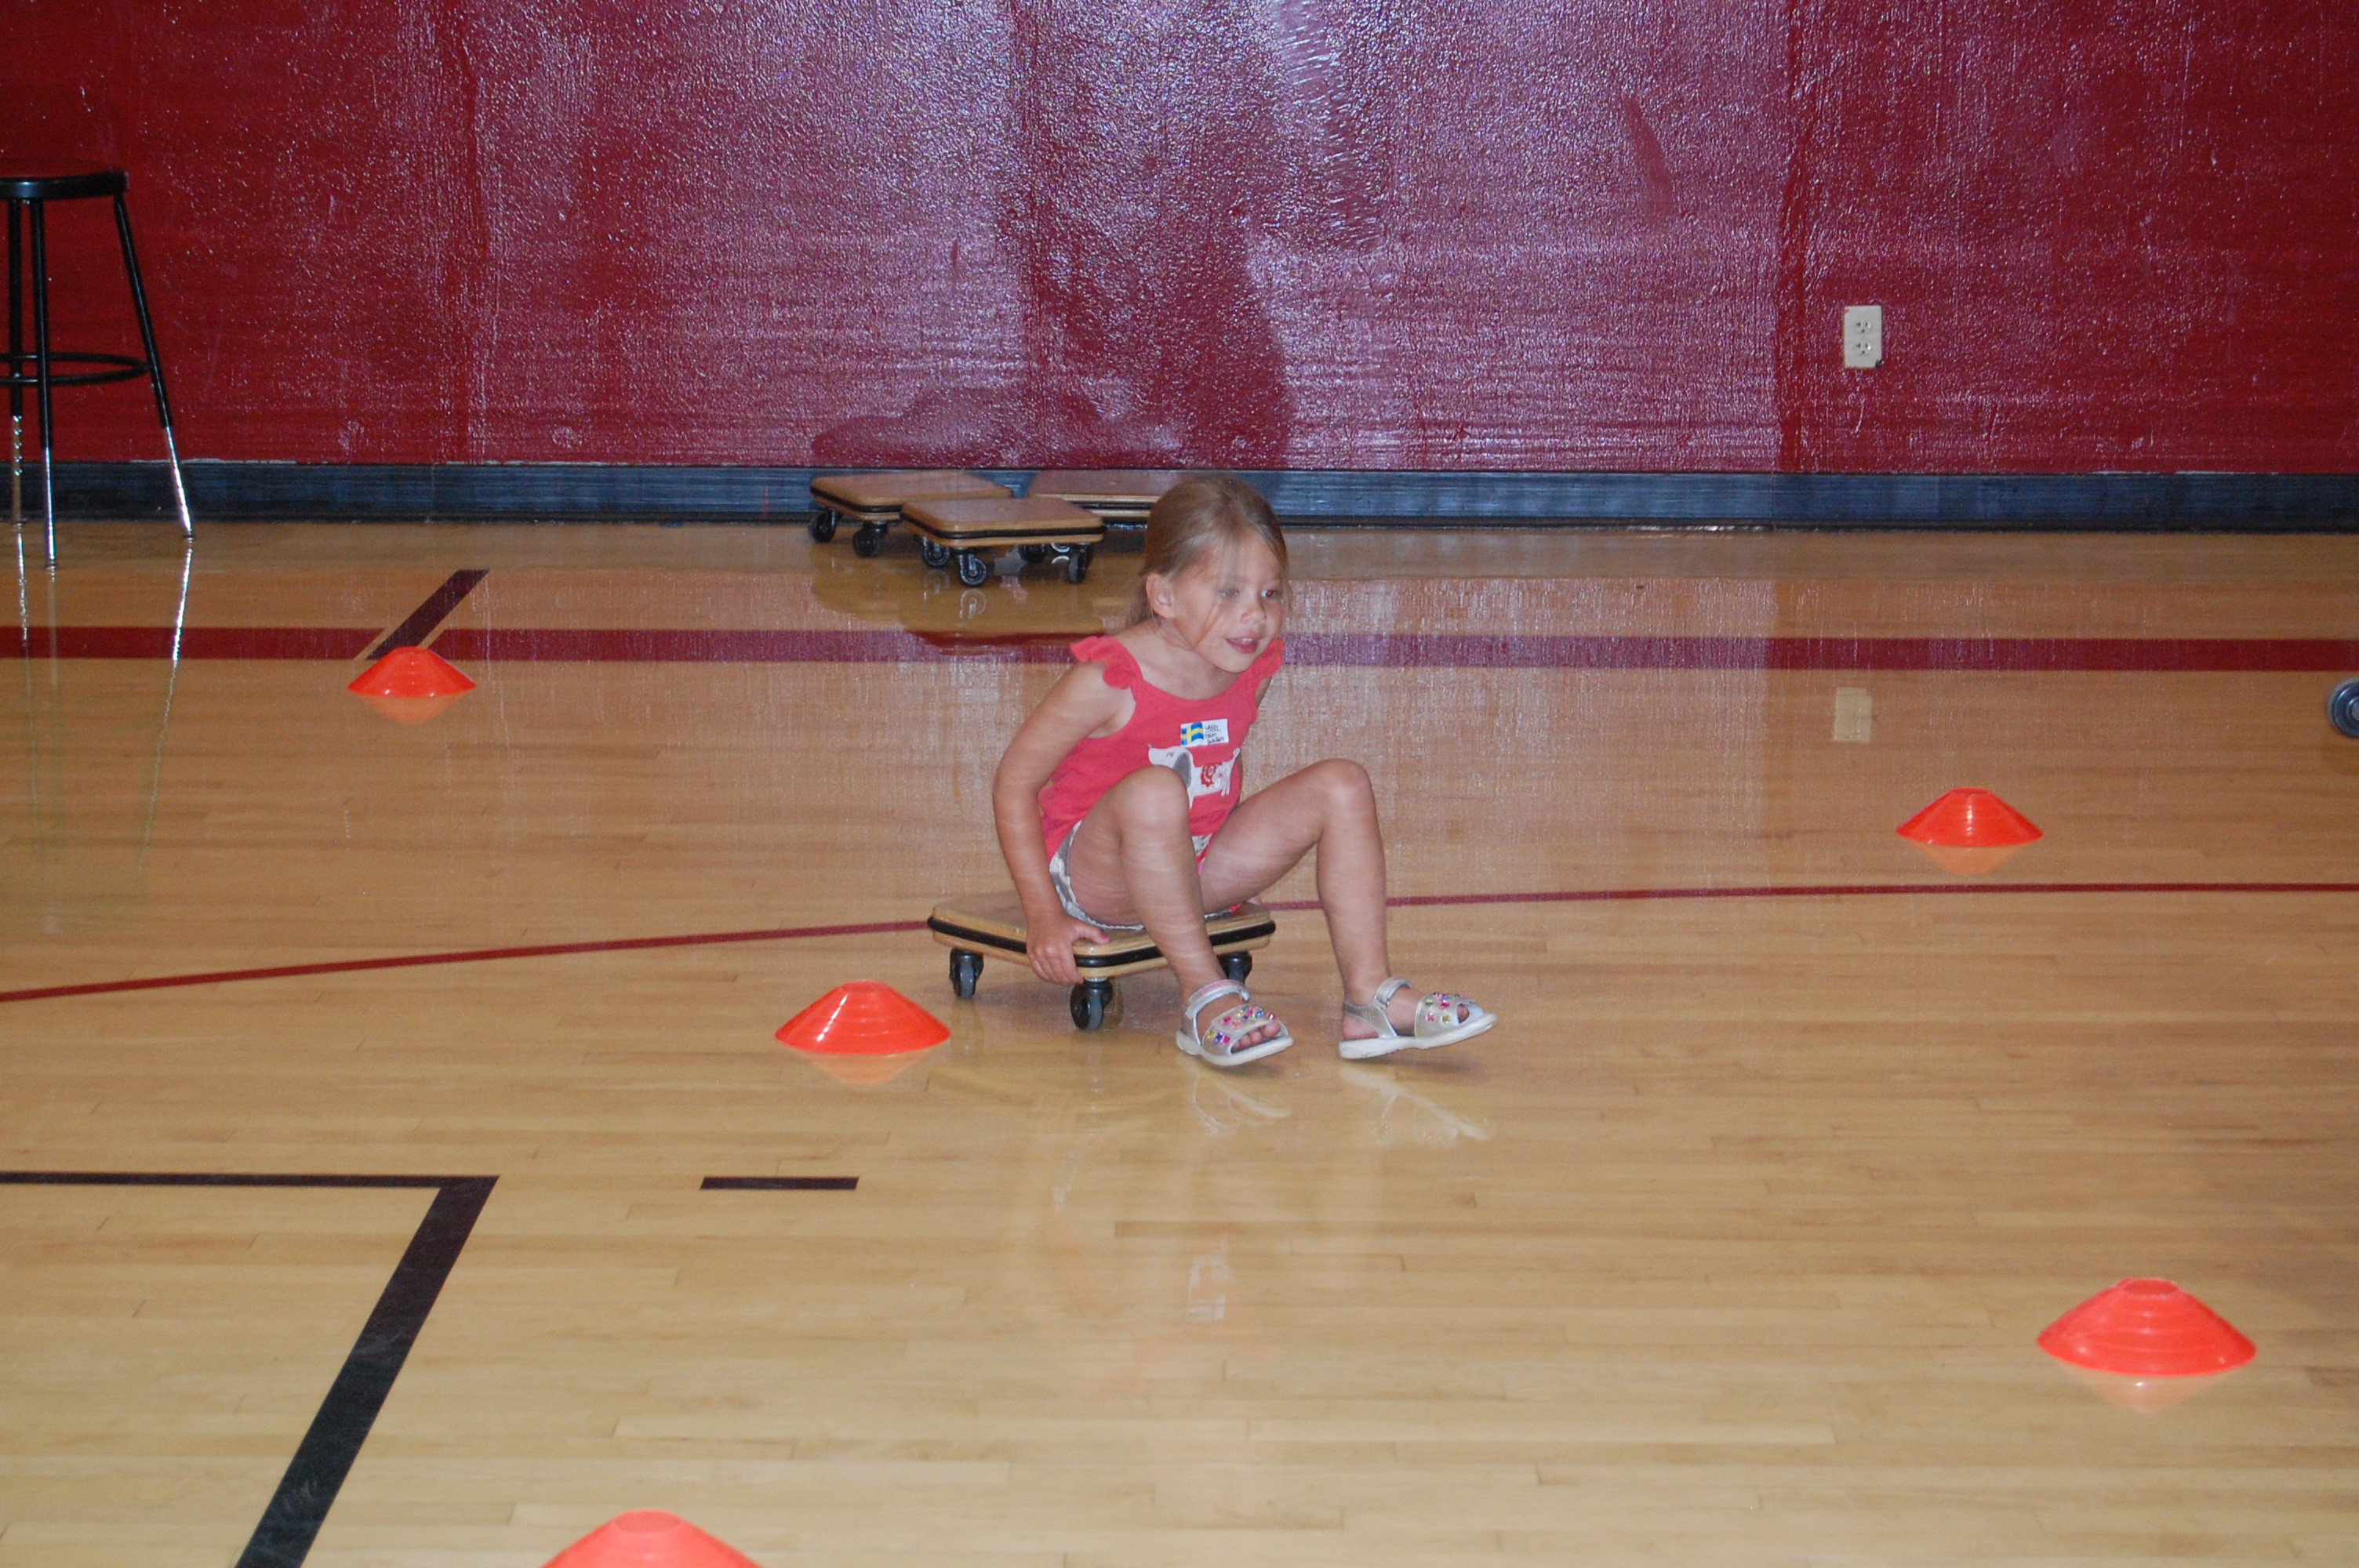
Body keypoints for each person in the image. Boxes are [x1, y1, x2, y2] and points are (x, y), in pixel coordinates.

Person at [992, 474, 1496, 1067]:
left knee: (1343, 783)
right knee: (1156, 792)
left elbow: (1216, 758)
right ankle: (1204, 996)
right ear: (1164, 597)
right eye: (1228, 593)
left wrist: (1236, 853)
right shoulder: (1108, 679)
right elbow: (1014, 786)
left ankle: (1369, 1000)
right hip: (1096, 882)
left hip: (1196, 862)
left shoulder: (1247, 665)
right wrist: (1043, 913)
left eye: (1270, 593)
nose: (1254, 616)